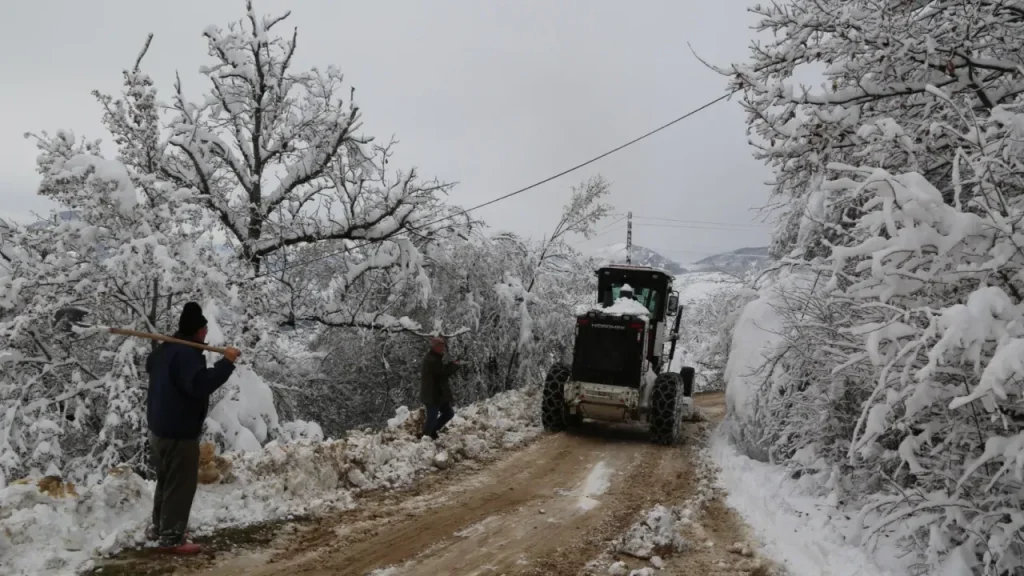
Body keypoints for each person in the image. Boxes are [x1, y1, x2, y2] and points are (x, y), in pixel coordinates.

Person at [144, 302, 241, 554]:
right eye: (205, 329)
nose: (207, 333)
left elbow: (150, 363)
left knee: (166, 482)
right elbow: (199, 385)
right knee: (180, 484)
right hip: (178, 431)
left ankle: (160, 528)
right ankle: (172, 538)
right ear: (198, 331)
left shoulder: (166, 350)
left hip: (159, 429)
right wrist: (226, 364)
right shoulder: (186, 354)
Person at [421, 336, 461, 440]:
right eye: (441, 346)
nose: (443, 348)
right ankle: (426, 436)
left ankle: (432, 431)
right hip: (432, 395)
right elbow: (442, 373)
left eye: (443, 346)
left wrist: (451, 365)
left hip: (438, 394)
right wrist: (454, 366)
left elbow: (441, 370)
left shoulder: (435, 358)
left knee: (448, 413)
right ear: (435, 347)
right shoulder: (431, 359)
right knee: (432, 417)